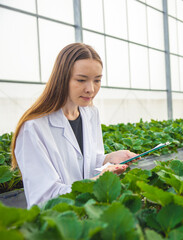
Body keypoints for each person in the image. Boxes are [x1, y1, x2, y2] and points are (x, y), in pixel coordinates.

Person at [10, 43, 138, 208]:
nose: (91, 89)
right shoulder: (33, 128)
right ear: (62, 78)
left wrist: (109, 158)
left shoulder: (91, 114)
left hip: (89, 216)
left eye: (97, 80)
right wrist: (97, 181)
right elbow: (44, 198)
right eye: (81, 80)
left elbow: (88, 164)